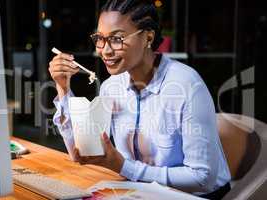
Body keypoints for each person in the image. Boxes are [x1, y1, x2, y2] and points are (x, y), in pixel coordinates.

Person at [48, 0, 231, 199]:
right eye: (100, 38)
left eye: (117, 38)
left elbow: (203, 178)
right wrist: (63, 87)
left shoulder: (186, 85)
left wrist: (124, 167)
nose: (105, 50)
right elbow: (81, 152)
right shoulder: (112, 86)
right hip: (138, 192)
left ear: (148, 37)